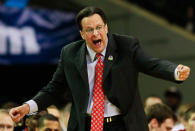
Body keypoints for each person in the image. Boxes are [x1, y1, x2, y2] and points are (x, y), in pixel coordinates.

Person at [9, 6, 190, 131]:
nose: (96, 34)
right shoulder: (70, 53)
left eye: (99, 27)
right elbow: (54, 88)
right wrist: (27, 107)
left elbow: (151, 64)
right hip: (85, 125)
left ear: (106, 27)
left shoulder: (126, 46)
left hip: (121, 125)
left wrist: (175, 71)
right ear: (82, 34)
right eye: (89, 30)